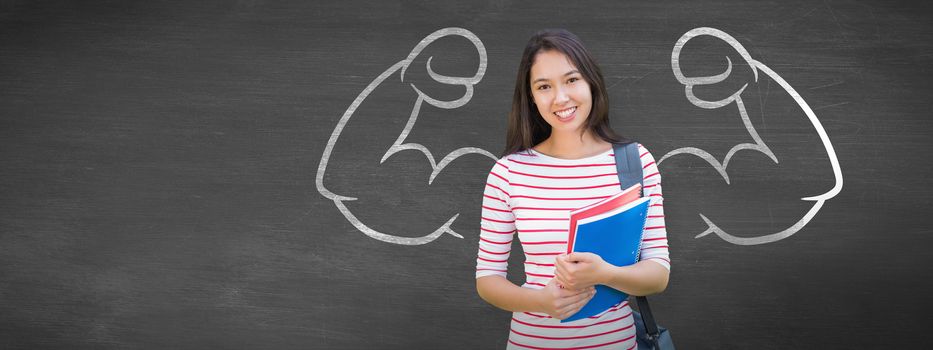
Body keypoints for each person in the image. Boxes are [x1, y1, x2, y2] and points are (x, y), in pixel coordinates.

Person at [475, 29, 671, 349]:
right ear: (531, 97)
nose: (560, 98)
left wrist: (605, 273)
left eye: (571, 80)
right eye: (544, 87)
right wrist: (539, 301)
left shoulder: (636, 162)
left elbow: (658, 274)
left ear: (590, 82)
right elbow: (487, 279)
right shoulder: (508, 172)